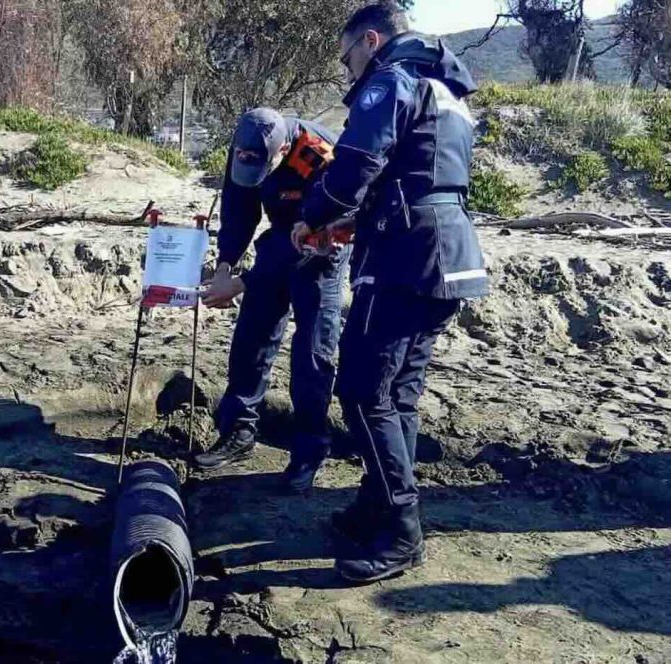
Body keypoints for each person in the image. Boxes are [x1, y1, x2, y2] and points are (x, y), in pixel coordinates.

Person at [293, 3, 489, 582]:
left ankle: (402, 531)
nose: (349, 71)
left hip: (403, 258)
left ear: (370, 40)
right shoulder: (447, 91)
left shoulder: (392, 79)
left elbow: (356, 164)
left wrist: (314, 214)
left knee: (360, 392)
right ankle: (377, 506)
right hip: (448, 254)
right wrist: (354, 220)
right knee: (398, 392)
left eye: (348, 56)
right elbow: (419, 175)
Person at [196, 108, 351, 493]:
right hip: (281, 235)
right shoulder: (245, 148)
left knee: (313, 352)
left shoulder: (319, 155)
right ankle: (240, 432)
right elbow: (239, 210)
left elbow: (313, 240)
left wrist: (244, 281)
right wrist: (224, 266)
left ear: (283, 149)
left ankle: (309, 450)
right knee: (252, 334)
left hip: (323, 245)